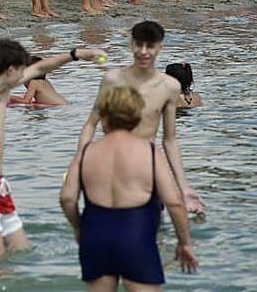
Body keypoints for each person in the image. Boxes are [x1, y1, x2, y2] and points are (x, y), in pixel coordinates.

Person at [0, 36, 106, 262]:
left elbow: (41, 67)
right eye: (21, 70)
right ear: (10, 69)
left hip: (0, 187)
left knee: (21, 253)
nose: (25, 75)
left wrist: (76, 54)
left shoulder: (2, 90)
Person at [62, 85, 198, 290]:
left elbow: (67, 198)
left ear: (104, 117)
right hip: (137, 237)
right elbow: (174, 203)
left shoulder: (87, 152)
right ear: (137, 116)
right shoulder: (150, 153)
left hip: (95, 238)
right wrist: (184, 242)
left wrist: (79, 228)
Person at [78, 20, 204, 213]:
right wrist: (81, 161)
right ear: (131, 45)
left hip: (147, 166)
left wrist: (184, 188)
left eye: (150, 46)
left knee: (153, 228)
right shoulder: (113, 80)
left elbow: (170, 141)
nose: (144, 51)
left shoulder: (169, 87)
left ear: (160, 47)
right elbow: (90, 124)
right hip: (113, 164)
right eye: (139, 45)